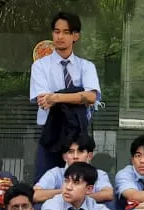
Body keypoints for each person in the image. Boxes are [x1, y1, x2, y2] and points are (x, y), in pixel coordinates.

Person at [30, 11, 99, 180]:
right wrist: (78, 94)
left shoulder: (86, 67)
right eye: (56, 31)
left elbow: (91, 97)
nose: (59, 36)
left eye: (66, 32)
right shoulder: (40, 66)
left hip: (78, 134)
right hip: (50, 132)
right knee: (44, 182)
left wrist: (56, 97)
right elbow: (44, 100)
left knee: (79, 183)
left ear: (75, 36)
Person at [33, 133, 114, 204]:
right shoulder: (55, 173)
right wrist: (67, 192)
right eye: (71, 152)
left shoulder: (99, 174)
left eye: (80, 151)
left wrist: (77, 197)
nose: (75, 156)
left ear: (89, 156)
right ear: (64, 157)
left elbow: (108, 194)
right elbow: (35, 195)